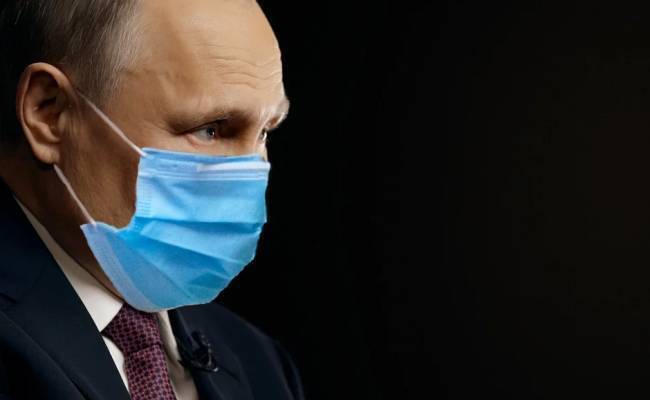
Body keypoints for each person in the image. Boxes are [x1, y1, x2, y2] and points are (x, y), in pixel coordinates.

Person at [0, 0, 304, 399]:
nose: (251, 175)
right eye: (211, 129)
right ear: (49, 113)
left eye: (264, 132)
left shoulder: (259, 363)